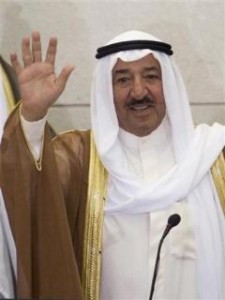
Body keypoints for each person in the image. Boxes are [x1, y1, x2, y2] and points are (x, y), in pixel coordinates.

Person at [0, 30, 225, 300]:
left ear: (170, 84)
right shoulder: (79, 160)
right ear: (107, 91)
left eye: (151, 76)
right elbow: (29, 189)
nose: (139, 91)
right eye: (123, 80)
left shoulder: (211, 157)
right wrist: (33, 117)